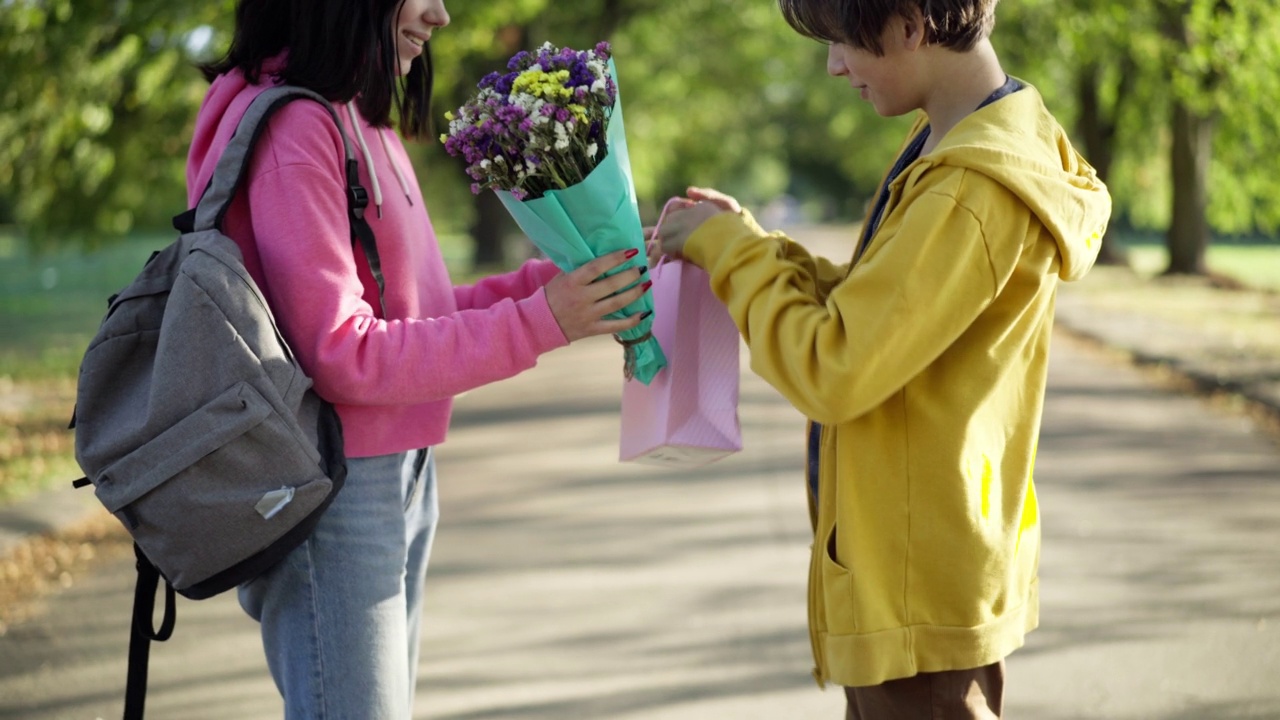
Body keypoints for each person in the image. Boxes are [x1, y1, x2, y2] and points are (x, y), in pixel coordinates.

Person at [186, 0, 650, 716]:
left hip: (394, 470)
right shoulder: (295, 128)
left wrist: (565, 284)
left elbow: (417, 315)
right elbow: (342, 353)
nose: (440, 13)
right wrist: (540, 323)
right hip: (332, 487)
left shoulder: (353, 118)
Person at [652, 0, 1111, 717]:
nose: (835, 66)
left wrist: (732, 254)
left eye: (843, 42)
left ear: (908, 23)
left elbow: (834, 367)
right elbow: (883, 311)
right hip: (916, 579)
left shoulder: (969, 188)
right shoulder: (958, 145)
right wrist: (757, 247)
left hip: (917, 599)